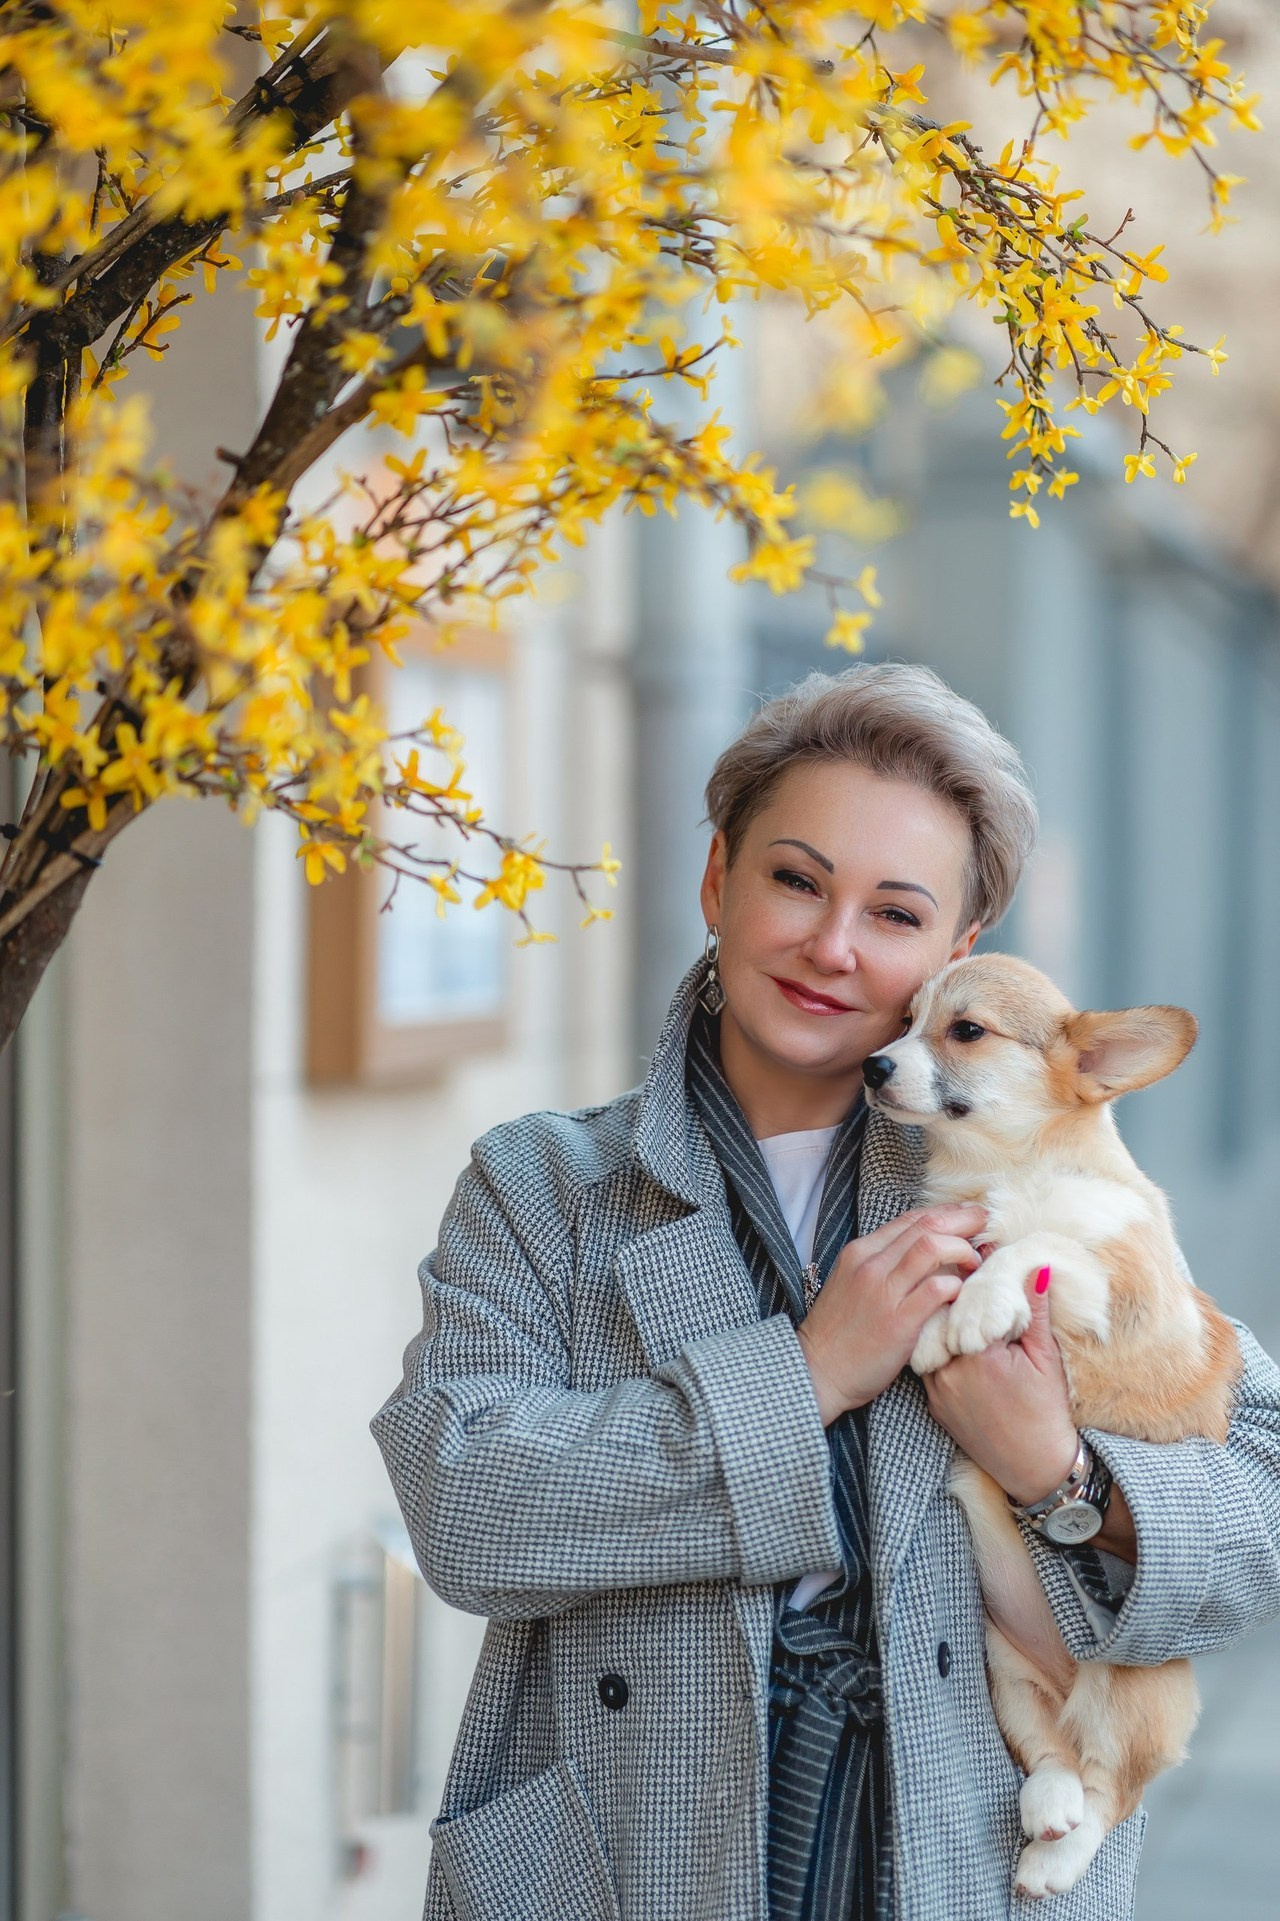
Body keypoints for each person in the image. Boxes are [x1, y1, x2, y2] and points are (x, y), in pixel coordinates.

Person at [371, 662, 1280, 1921]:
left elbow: (1263, 1500)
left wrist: (1061, 1478)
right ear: (715, 881)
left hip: (968, 1847)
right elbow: (463, 1508)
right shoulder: (546, 1183)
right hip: (627, 1853)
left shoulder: (1026, 1175)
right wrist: (800, 1376)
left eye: (894, 913)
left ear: (954, 958)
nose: (832, 945)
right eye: (795, 880)